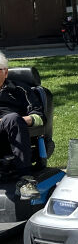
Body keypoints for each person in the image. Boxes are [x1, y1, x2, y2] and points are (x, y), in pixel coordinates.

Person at [0, 51, 44, 179]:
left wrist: (16, 121)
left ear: (6, 72)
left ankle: (25, 178)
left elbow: (39, 118)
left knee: (12, 118)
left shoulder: (20, 90)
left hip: (10, 130)